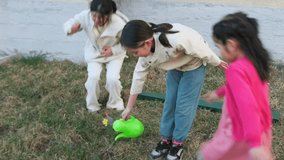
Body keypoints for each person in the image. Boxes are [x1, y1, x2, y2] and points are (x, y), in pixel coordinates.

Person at [119, 20, 227, 160]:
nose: (136, 56)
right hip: (175, 67)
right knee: (170, 103)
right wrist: (128, 107)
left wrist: (220, 64)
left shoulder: (177, 40)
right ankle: (166, 140)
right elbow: (138, 78)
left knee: (184, 107)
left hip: (194, 65)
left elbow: (201, 49)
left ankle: (177, 144)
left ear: (147, 42)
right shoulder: (146, 53)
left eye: (135, 52)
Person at [198, 12, 273, 160]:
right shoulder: (256, 61)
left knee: (204, 156)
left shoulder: (235, 69)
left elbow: (248, 105)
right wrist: (218, 93)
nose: (219, 51)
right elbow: (243, 88)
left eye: (219, 46)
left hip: (241, 131)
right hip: (260, 129)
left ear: (231, 45)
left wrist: (254, 144)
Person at [63, 0, 128, 112]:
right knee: (93, 78)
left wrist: (113, 50)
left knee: (112, 79)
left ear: (109, 15)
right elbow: (69, 23)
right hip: (94, 52)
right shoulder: (85, 15)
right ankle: (92, 105)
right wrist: (71, 29)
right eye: (94, 16)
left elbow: (128, 42)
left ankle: (115, 102)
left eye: (101, 17)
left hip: (114, 54)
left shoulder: (120, 23)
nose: (97, 20)